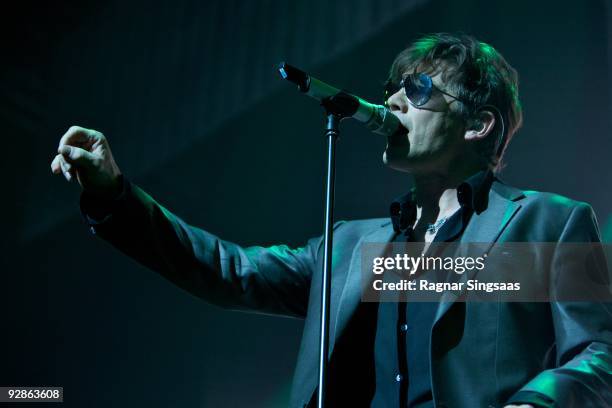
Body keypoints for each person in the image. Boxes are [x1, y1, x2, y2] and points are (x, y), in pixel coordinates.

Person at [50, 33, 611, 407]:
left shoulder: (548, 224)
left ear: (478, 125)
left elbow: (600, 352)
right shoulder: (351, 246)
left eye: (416, 90)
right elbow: (227, 270)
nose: (391, 101)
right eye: (391, 88)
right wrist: (113, 193)